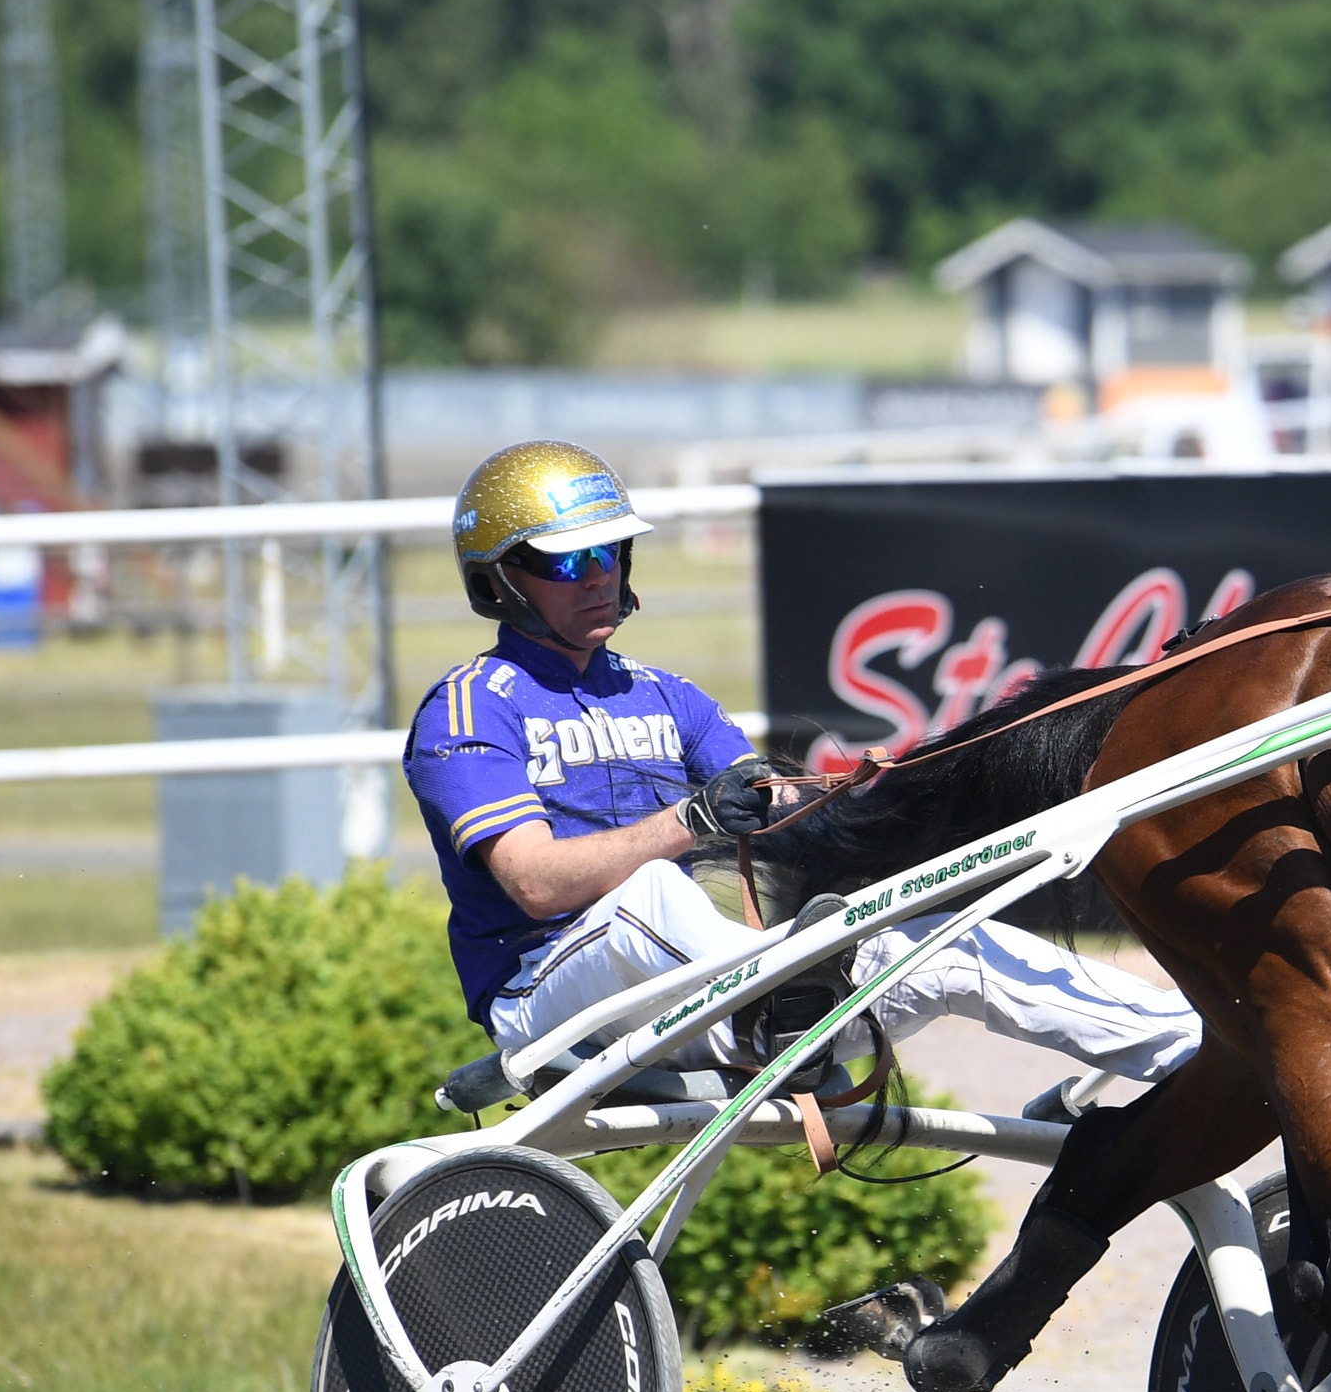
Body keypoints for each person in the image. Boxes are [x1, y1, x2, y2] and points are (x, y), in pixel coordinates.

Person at [400, 440, 1198, 1095]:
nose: (601, 575)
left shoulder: (669, 696)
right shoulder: (467, 709)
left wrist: (913, 784)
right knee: (650, 897)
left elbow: (780, 805)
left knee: (948, 943)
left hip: (700, 995)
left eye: (610, 551)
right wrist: (691, 821)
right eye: (569, 563)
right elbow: (536, 884)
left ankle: (1204, 1051)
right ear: (499, 579)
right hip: (549, 1002)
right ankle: (779, 1003)